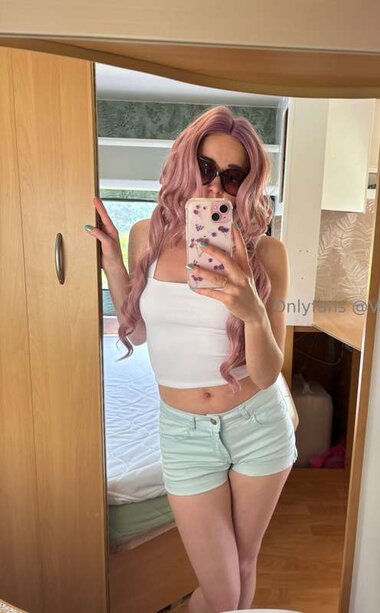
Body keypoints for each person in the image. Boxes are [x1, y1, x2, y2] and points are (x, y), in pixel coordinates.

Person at [86, 105, 298, 613]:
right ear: (186, 163)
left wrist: (252, 311)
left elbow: (269, 371)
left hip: (258, 423)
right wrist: (113, 262)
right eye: (206, 167)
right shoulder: (147, 236)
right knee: (222, 591)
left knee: (242, 567)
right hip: (184, 433)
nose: (215, 186)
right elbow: (138, 330)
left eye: (232, 176)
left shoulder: (267, 254)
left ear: (246, 185)